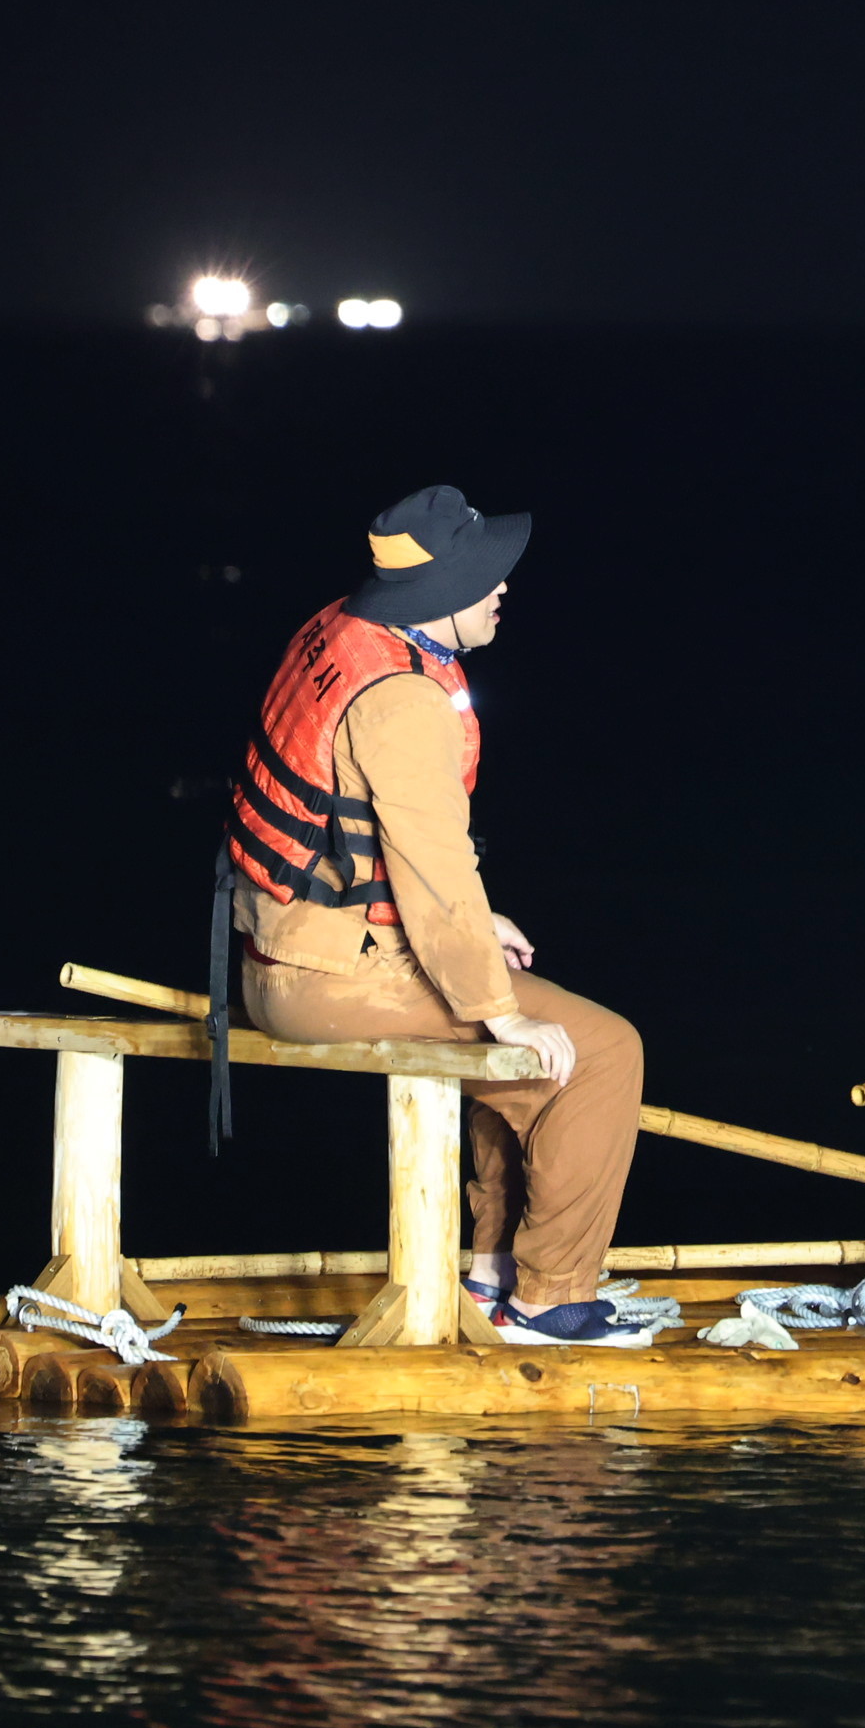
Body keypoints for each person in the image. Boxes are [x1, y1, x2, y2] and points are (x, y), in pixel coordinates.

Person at [226, 485, 656, 1347]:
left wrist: (480, 938)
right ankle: (550, 1299)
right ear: (438, 595)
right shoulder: (406, 701)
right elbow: (433, 863)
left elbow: (355, 834)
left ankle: (493, 1271)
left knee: (521, 1028)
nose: (504, 587)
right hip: (329, 981)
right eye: (487, 576)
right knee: (605, 1052)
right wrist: (497, 1006)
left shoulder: (343, 633)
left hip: (286, 948)